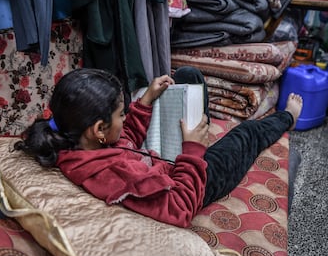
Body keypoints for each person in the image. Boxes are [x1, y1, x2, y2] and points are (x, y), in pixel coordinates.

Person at [15, 67, 303, 228]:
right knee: (246, 134)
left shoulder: (77, 143)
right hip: (192, 182)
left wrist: (145, 102)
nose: (126, 116)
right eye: (121, 113)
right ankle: (287, 117)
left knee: (188, 76)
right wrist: (192, 152)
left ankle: (196, 120)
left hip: (160, 164)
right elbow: (180, 209)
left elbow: (123, 141)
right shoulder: (119, 175)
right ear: (100, 129)